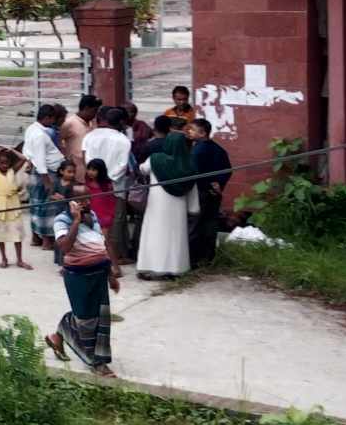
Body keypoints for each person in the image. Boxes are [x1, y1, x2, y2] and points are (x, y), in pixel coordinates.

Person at [44, 167, 122, 377]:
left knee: (101, 318)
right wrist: (76, 221)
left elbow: (100, 244)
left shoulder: (93, 215)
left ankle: (61, 339)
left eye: (88, 199)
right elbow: (64, 247)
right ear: (70, 202)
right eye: (81, 200)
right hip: (78, 277)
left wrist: (111, 274)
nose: (86, 203)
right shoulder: (63, 220)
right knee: (86, 321)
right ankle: (96, 363)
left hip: (99, 275)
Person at [135, 117, 194, 280]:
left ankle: (148, 267)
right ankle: (174, 270)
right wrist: (193, 207)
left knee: (153, 235)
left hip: (156, 206)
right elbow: (192, 187)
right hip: (178, 207)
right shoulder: (188, 163)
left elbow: (142, 169)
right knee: (175, 239)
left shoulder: (156, 159)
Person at [20, 103, 66, 248]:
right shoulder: (40, 135)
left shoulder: (31, 129)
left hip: (37, 172)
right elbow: (40, 160)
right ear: (47, 117)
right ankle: (47, 241)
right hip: (46, 173)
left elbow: (27, 152)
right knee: (47, 207)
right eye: (52, 119)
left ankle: (36, 237)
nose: (53, 122)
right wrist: (47, 181)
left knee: (36, 205)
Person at [187, 118, 231, 268]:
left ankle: (192, 260)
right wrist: (218, 185)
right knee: (210, 224)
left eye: (192, 130)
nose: (189, 132)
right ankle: (208, 258)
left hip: (200, 192)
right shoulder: (218, 149)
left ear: (203, 133)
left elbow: (195, 172)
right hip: (214, 193)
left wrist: (209, 186)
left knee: (195, 225)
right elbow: (227, 169)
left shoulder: (197, 150)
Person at [0, 147, 31, 269]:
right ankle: (4, 258)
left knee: (17, 234)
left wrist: (11, 150)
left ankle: (20, 260)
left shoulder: (12, 171)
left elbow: (23, 158)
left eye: (7, 163)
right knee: (1, 234)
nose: (5, 165)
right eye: (1, 163)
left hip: (13, 205)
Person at [60, 93, 99, 170]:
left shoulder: (93, 123)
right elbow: (59, 141)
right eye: (94, 111)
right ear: (86, 108)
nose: (95, 114)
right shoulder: (70, 123)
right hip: (75, 170)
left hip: (91, 170)